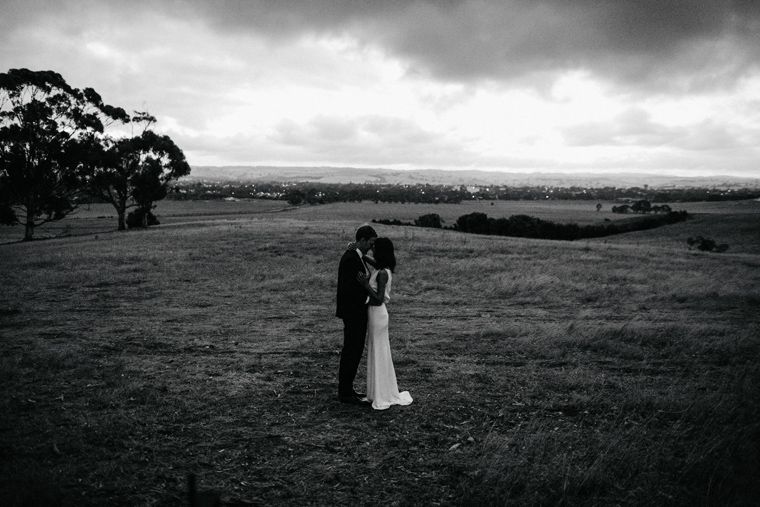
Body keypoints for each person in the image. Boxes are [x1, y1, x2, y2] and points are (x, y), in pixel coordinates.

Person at [358, 238, 413, 410]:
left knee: (379, 351)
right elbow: (368, 259)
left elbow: (379, 298)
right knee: (378, 350)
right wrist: (359, 252)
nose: (372, 250)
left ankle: (381, 394)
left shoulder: (382, 273)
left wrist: (366, 285)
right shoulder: (382, 268)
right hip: (376, 314)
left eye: (374, 248)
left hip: (378, 313)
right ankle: (378, 391)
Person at [336, 225, 377, 406]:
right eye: (370, 242)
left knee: (354, 350)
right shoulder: (351, 258)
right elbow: (347, 289)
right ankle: (345, 392)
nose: (371, 246)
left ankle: (348, 389)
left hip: (356, 312)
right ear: (362, 240)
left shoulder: (356, 256)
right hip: (353, 313)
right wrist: (368, 299)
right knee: (351, 351)